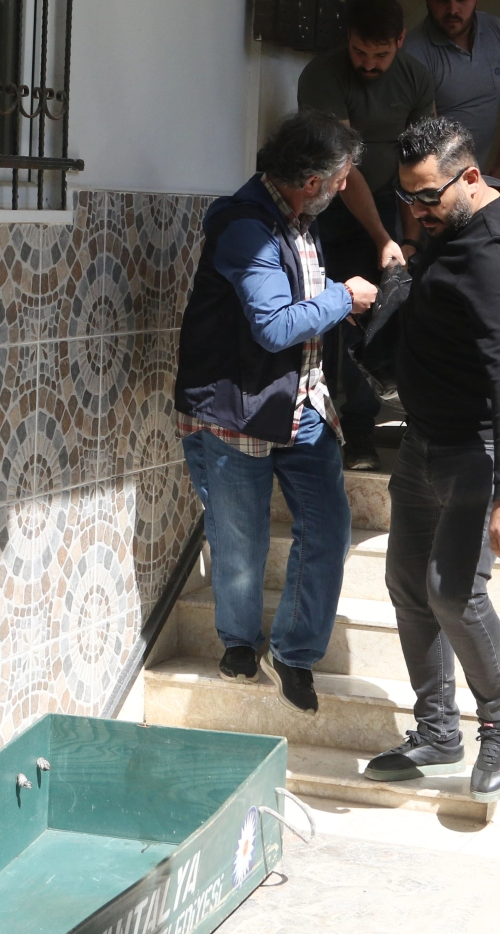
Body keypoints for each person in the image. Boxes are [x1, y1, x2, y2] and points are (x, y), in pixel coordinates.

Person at [363, 117, 500, 804]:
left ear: (470, 178)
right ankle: (438, 732)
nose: (416, 210)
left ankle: (499, 727)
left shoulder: (493, 255)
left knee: (452, 591)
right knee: (406, 584)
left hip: (477, 445)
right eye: (405, 196)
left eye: (427, 197)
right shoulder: (465, 217)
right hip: (424, 437)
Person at [174, 110, 378, 716]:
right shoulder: (247, 229)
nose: (346, 186)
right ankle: (239, 644)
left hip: (301, 404)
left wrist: (338, 309)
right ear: (312, 182)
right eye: (341, 178)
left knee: (330, 527)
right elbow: (273, 327)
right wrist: (344, 297)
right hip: (237, 412)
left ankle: (293, 652)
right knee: (241, 539)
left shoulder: (298, 221)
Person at [298, 0, 437, 471]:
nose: (370, 64)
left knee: (376, 314)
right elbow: (344, 169)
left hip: (388, 204)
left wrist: (409, 239)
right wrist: (383, 238)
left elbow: (421, 163)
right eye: (360, 52)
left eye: (381, 54)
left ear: (401, 40)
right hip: (324, 206)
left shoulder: (416, 77)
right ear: (348, 39)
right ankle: (328, 425)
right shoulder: (322, 74)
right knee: (329, 313)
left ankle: (366, 426)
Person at [402, 0, 500, 179]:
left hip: (482, 175)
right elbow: (428, 143)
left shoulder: (499, 33)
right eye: (442, 0)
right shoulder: (414, 52)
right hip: (439, 177)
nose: (452, 10)